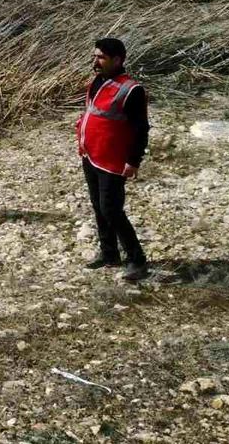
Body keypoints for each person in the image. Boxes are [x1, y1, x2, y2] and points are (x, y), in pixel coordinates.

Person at [76, 37, 150, 282]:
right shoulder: (98, 81)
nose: (95, 61)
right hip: (91, 155)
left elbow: (141, 129)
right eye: (94, 55)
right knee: (99, 207)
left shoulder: (132, 90)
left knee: (112, 209)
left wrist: (134, 160)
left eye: (101, 57)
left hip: (113, 161)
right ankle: (109, 253)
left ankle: (136, 260)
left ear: (117, 60)